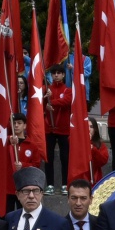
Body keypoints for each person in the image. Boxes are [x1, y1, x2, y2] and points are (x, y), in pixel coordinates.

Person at [46, 65, 71, 193]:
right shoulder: (47, 89)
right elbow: (39, 103)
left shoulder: (67, 90)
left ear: (63, 75)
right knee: (48, 158)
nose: (56, 75)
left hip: (63, 129)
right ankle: (50, 184)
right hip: (49, 129)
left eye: (58, 73)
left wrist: (51, 102)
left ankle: (65, 184)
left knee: (65, 157)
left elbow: (66, 101)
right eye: (54, 73)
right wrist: (46, 102)